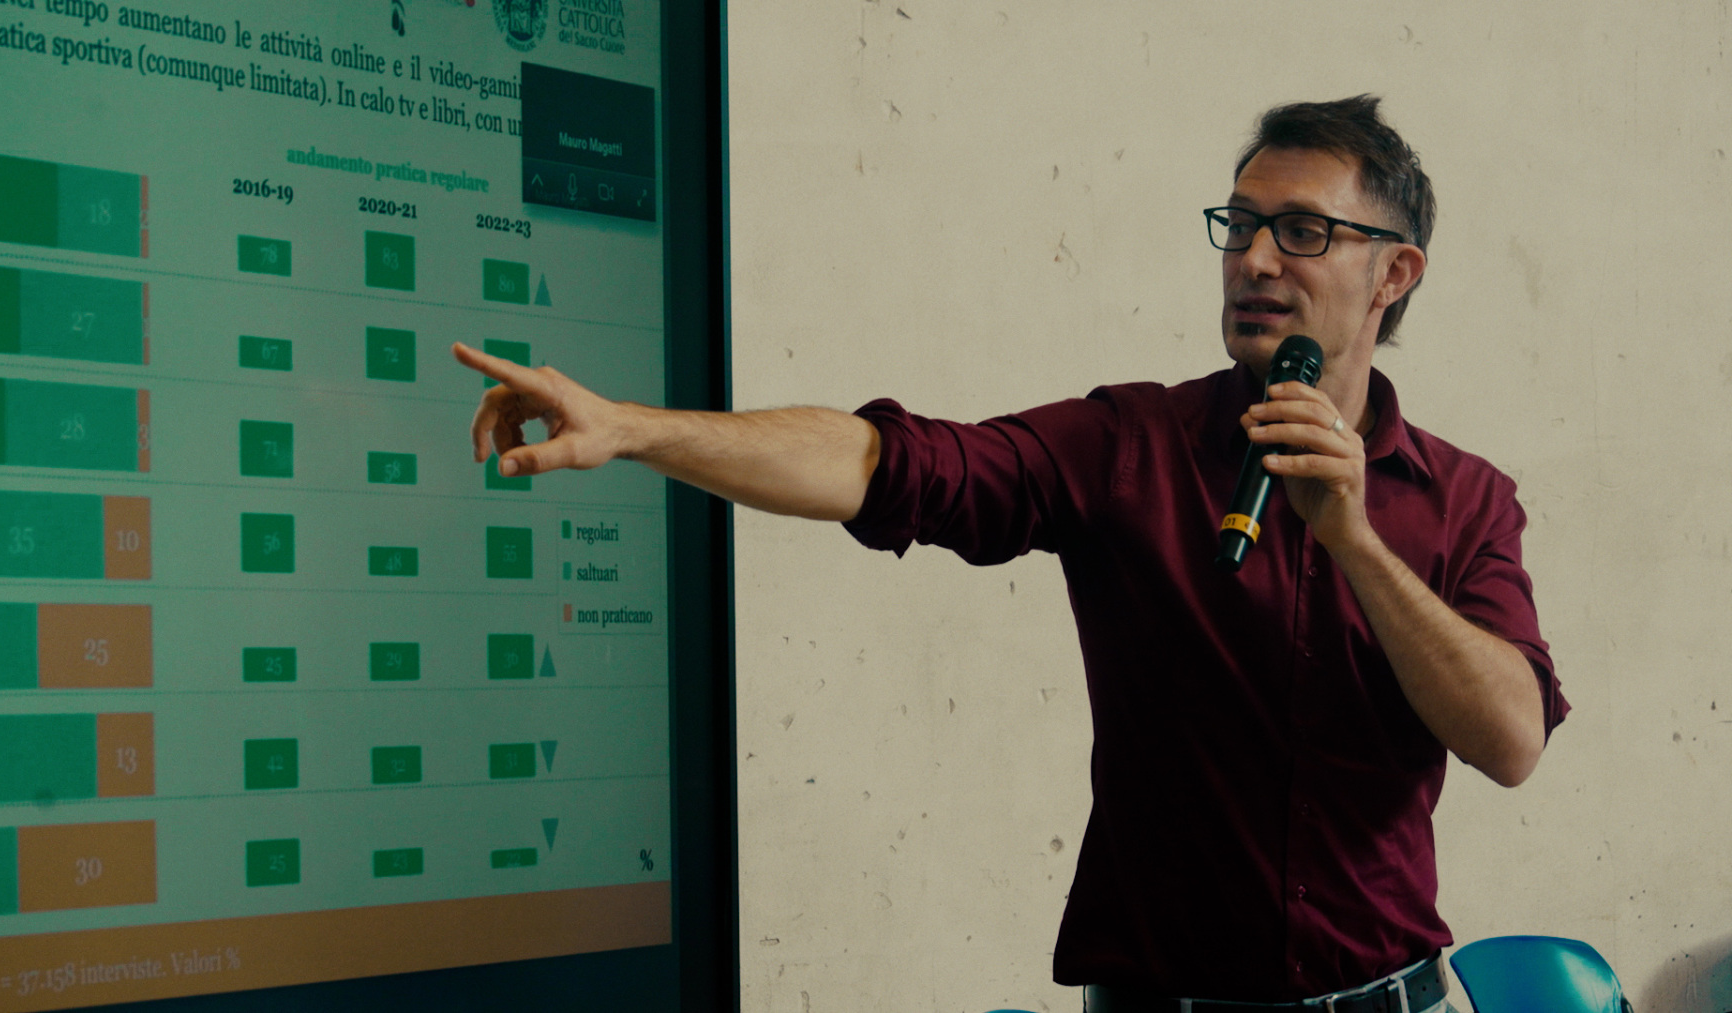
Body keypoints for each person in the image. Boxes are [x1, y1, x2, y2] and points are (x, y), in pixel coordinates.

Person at [451, 95, 1567, 1012]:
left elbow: (1511, 737)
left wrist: (1354, 539)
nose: (1256, 258)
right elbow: (892, 464)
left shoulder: (1467, 500)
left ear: (1395, 273)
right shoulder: (1132, 444)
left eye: (1303, 231)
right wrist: (636, 429)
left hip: (1392, 999)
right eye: (1239, 225)